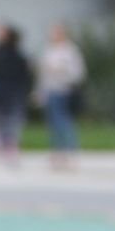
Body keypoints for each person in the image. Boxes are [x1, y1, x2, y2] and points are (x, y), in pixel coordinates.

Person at [37, 23, 87, 169]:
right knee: (53, 123)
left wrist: (61, 70)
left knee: (64, 122)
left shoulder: (70, 51)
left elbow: (78, 73)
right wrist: (40, 92)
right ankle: (58, 152)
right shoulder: (49, 50)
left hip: (64, 90)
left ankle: (71, 150)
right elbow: (43, 75)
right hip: (50, 90)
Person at [0, 23, 33, 166]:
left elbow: (23, 76)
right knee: (3, 123)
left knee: (10, 123)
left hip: (12, 93)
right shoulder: (0, 53)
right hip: (4, 93)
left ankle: (8, 151)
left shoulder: (13, 55)